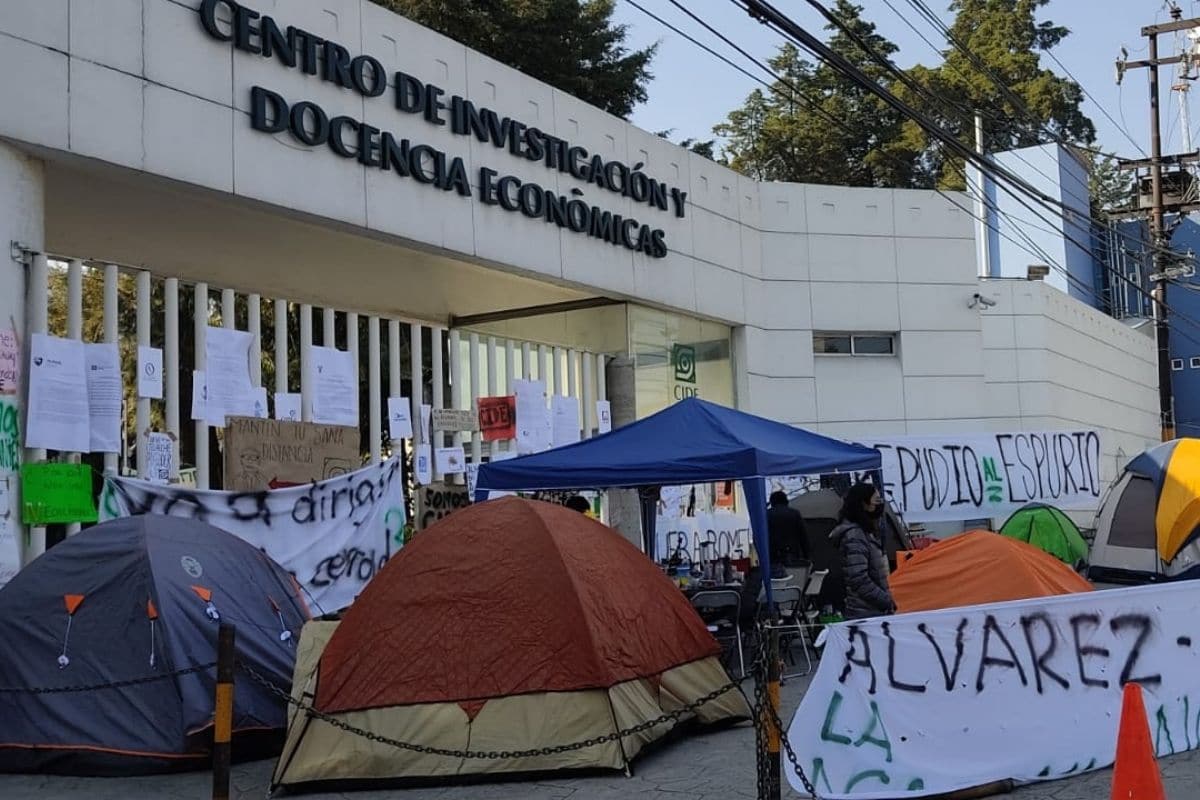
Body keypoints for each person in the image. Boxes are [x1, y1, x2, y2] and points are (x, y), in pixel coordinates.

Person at [829, 482, 896, 619]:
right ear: (864, 504)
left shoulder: (865, 533)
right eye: (876, 501)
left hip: (870, 609)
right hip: (865, 612)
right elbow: (858, 578)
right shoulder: (855, 536)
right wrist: (884, 600)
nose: (880, 505)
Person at [767, 490, 809, 569]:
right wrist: (807, 556)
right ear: (786, 501)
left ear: (772, 502)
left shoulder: (767, 515)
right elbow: (803, 536)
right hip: (792, 554)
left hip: (773, 556)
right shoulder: (795, 513)